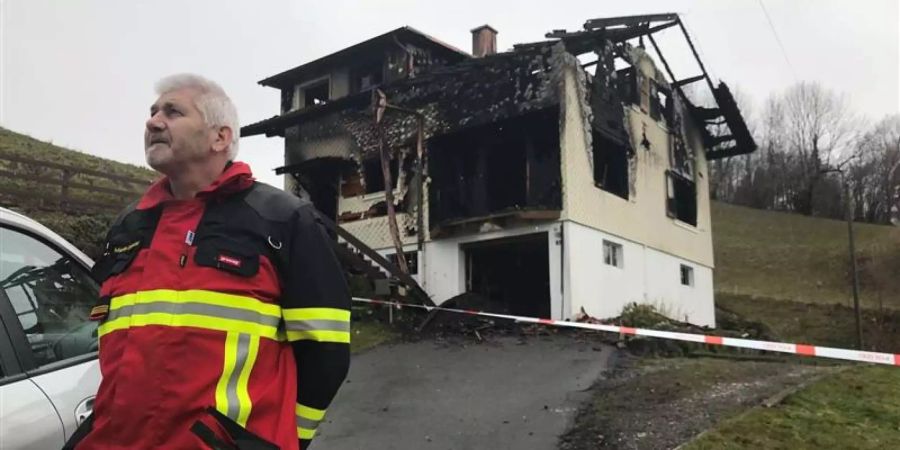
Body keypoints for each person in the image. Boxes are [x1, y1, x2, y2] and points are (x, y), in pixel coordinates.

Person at [65, 74, 351, 450]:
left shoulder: (283, 220)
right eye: (152, 113)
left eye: (173, 111)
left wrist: (283, 439)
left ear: (220, 137)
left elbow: (325, 351)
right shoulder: (129, 225)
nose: (152, 122)